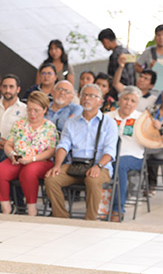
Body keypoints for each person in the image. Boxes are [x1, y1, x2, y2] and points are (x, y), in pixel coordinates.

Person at [44, 83, 118, 220]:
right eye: (84, 95)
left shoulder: (109, 123)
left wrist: (98, 166)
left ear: (100, 101)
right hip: (76, 166)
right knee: (51, 178)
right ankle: (61, 217)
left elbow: (110, 151)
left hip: (100, 166)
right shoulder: (71, 122)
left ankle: (90, 221)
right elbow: (63, 146)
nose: (86, 98)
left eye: (91, 96)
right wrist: (58, 165)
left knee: (92, 179)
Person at [0, 91, 58, 216]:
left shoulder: (50, 127)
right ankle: (6, 207)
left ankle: (31, 209)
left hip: (40, 160)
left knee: (28, 172)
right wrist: (12, 154)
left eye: (36, 110)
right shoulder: (19, 123)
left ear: (45, 109)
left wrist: (32, 159)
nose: (32, 114)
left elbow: (51, 151)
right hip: (18, 158)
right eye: (29, 109)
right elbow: (8, 144)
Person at [106, 86, 146, 219]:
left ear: (137, 104)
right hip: (109, 155)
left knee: (120, 165)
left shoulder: (142, 119)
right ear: (119, 100)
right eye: (126, 99)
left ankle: (118, 209)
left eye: (133, 101)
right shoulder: (108, 116)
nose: (128, 103)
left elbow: (153, 140)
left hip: (134, 156)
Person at [0, 74, 27, 161]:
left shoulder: (25, 110)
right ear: (1, 88)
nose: (7, 90)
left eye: (11, 87)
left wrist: (9, 144)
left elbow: (26, 135)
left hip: (11, 150)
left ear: (18, 89)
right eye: (4, 87)